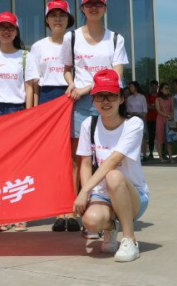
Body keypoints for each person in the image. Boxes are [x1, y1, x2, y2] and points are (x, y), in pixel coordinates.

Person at [60, 0, 129, 238]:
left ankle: (111, 209)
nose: (93, 7)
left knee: (110, 158)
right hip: (80, 104)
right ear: (82, 8)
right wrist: (71, 84)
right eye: (89, 4)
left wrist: (87, 88)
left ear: (105, 8)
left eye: (98, 4)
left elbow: (117, 74)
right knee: (80, 160)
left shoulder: (116, 38)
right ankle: (78, 210)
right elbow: (67, 68)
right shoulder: (71, 37)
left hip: (108, 100)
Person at [74, 69, 150, 263]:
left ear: (121, 99)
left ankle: (129, 240)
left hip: (133, 196)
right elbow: (85, 163)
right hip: (102, 196)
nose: (105, 101)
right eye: (100, 96)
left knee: (113, 175)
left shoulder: (134, 124)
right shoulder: (88, 125)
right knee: (90, 221)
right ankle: (110, 228)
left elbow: (113, 161)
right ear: (94, 100)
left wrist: (84, 190)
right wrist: (88, 194)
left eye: (111, 96)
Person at [0, 11, 39, 232]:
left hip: (18, 111)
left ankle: (20, 212)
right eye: (2, 27)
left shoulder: (25, 56)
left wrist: (29, 116)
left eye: (10, 28)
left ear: (16, 31)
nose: (6, 31)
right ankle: (2, 213)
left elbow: (30, 88)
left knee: (19, 164)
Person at [30, 0, 81, 233]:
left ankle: (72, 210)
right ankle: (58, 211)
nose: (57, 19)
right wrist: (34, 111)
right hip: (48, 98)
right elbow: (34, 82)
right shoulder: (38, 46)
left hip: (73, 96)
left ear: (69, 19)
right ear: (47, 20)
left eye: (62, 15)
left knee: (74, 156)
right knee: (53, 157)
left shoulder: (76, 42)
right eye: (53, 15)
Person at [126, 81, 149, 161]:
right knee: (133, 137)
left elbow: (145, 109)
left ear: (136, 87)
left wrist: (144, 119)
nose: (130, 88)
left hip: (141, 118)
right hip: (132, 119)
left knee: (142, 137)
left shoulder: (142, 97)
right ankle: (136, 155)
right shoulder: (129, 98)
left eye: (131, 86)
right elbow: (128, 111)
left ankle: (144, 154)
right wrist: (133, 114)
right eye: (129, 87)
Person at [154, 82, 175, 163]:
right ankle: (161, 158)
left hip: (169, 120)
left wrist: (171, 116)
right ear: (161, 90)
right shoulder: (158, 99)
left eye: (168, 88)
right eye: (166, 88)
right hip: (161, 119)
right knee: (160, 138)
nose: (167, 90)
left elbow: (172, 109)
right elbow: (159, 111)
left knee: (169, 138)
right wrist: (167, 115)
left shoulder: (170, 98)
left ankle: (170, 157)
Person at [145, 80, 159, 160]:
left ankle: (163, 152)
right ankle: (151, 152)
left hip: (159, 119)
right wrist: (156, 107)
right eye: (152, 86)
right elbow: (147, 106)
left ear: (157, 86)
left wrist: (153, 106)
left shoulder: (160, 95)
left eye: (155, 86)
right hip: (150, 119)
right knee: (151, 136)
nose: (154, 87)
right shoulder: (148, 96)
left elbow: (161, 106)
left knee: (161, 136)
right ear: (150, 87)